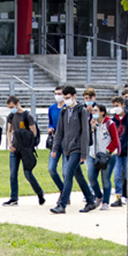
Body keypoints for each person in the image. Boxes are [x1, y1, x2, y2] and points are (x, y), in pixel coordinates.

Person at [49, 86, 96, 214]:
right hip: (67, 148)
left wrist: (83, 153)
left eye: (68, 98)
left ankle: (62, 204)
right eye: (64, 98)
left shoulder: (82, 111)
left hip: (77, 148)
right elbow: (59, 132)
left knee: (68, 173)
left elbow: (85, 133)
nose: (66, 100)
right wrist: (55, 148)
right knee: (78, 175)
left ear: (74, 96)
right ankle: (91, 201)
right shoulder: (64, 111)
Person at [4, 95, 46, 207]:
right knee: (13, 174)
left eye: (12, 106)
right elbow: (9, 130)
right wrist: (9, 142)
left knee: (28, 173)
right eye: (9, 107)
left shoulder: (27, 116)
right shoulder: (11, 116)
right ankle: (14, 198)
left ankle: (39, 192)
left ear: (18, 103)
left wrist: (26, 144)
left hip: (25, 149)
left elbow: (34, 133)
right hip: (15, 148)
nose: (11, 109)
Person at [88, 104, 119, 210]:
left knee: (105, 178)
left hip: (108, 155)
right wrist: (92, 128)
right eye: (92, 111)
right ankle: (98, 195)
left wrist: (107, 151)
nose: (94, 113)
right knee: (91, 177)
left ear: (102, 112)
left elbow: (115, 140)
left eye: (96, 111)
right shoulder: (92, 123)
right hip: (94, 154)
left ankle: (106, 201)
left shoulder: (110, 124)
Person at [46, 86, 65, 193]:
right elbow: (51, 122)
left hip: (66, 141)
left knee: (66, 171)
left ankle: (66, 195)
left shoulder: (67, 108)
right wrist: (50, 128)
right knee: (51, 168)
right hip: (55, 141)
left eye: (60, 93)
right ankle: (62, 189)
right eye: (56, 93)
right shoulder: (52, 108)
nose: (57, 96)